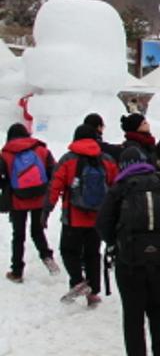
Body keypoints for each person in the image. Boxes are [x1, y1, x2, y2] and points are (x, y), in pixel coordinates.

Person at [95, 147, 160, 356]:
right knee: (159, 311)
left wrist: (114, 242)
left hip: (129, 261)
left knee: (133, 316)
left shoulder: (120, 187)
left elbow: (102, 223)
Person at [44, 123, 118, 306]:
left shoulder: (68, 159)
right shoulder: (106, 159)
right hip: (97, 217)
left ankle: (78, 282)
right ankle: (92, 293)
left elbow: (55, 185)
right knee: (92, 254)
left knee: (69, 251)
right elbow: (116, 186)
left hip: (73, 216)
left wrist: (47, 209)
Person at [1, 123, 58, 282]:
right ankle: (49, 260)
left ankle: (17, 272)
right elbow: (53, 171)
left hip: (17, 200)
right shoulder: (41, 149)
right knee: (37, 231)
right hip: (39, 198)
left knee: (18, 235)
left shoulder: (6, 153)